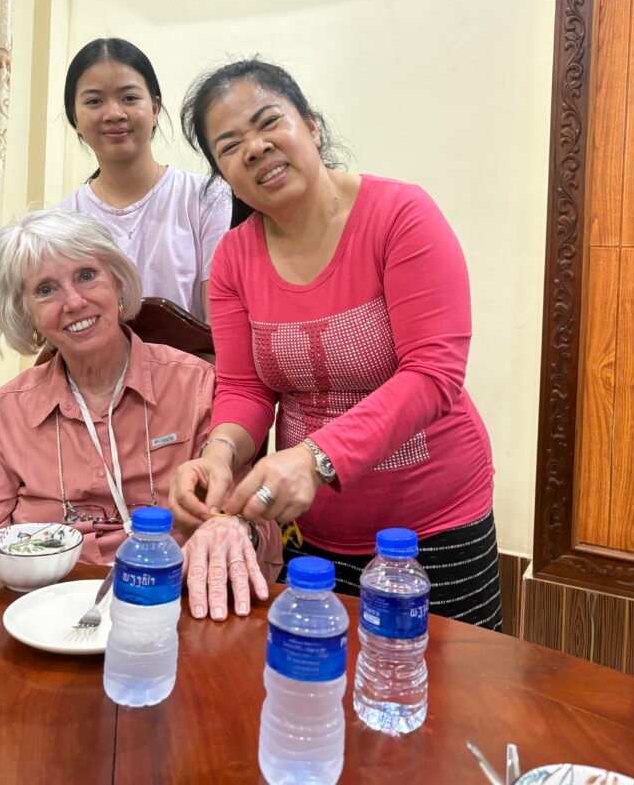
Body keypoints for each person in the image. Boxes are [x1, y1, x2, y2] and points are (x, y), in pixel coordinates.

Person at [170, 59, 502, 630]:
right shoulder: (232, 259)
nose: (255, 148)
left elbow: (434, 373)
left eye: (268, 122)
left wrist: (314, 459)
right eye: (230, 145)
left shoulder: (400, 215)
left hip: (433, 527)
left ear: (312, 125)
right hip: (311, 531)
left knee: (438, 680)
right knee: (316, 674)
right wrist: (218, 454)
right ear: (223, 173)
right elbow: (246, 388)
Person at [0, 210, 281, 621]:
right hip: (43, 614)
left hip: (177, 607)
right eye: (45, 289)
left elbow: (257, 533)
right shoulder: (4, 413)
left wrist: (235, 530)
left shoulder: (198, 387)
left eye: (86, 275)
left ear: (118, 282)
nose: (73, 302)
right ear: (26, 314)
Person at [56, 38, 230, 323]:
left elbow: (219, 325)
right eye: (94, 101)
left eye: (129, 98)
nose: (114, 114)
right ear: (75, 118)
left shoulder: (206, 198)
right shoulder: (61, 224)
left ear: (155, 108)